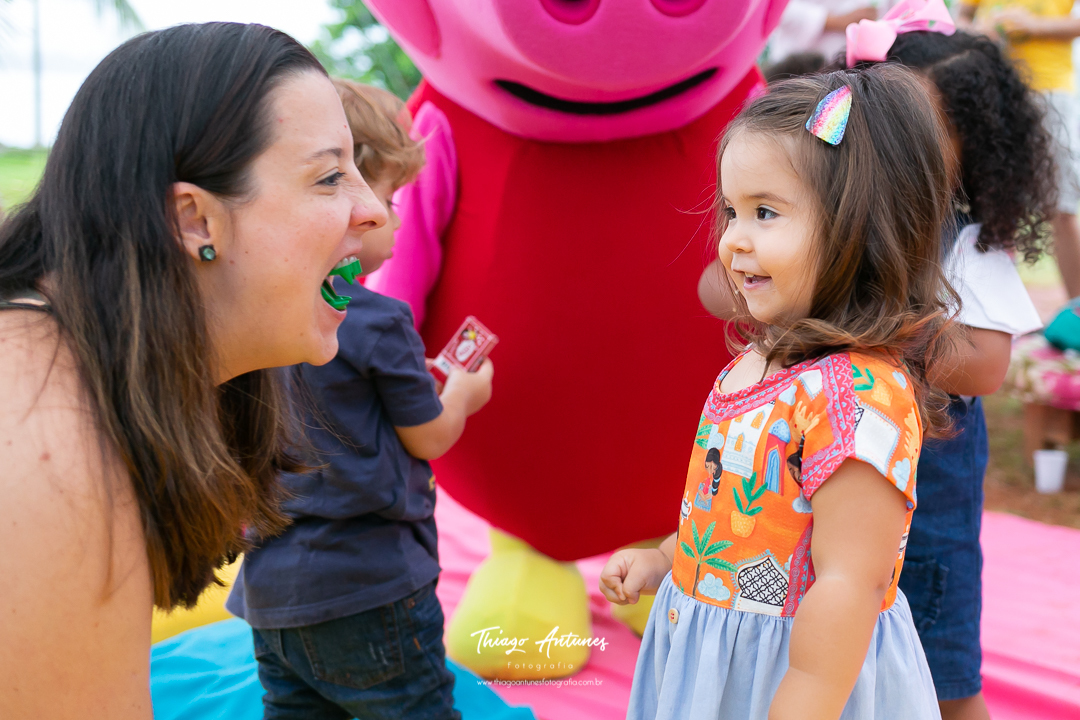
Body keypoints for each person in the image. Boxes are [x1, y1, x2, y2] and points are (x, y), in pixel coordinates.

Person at [0, 23, 386, 719]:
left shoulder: (80, 369)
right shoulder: (45, 438)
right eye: (330, 176)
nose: (374, 209)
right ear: (195, 219)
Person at [603, 65, 956, 720]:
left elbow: (852, 584)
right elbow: (736, 507)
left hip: (798, 680)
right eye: (731, 212)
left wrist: (803, 704)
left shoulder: (856, 396)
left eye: (765, 212)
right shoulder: (759, 363)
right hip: (716, 654)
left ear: (863, 226)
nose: (734, 238)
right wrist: (665, 559)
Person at [226, 79, 494, 720]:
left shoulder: (249, 316)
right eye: (393, 198)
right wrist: (463, 394)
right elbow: (427, 436)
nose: (394, 218)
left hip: (271, 593)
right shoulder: (378, 320)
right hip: (369, 587)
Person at [845, 9, 1053, 719]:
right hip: (824, 480)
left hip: (924, 502)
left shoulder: (969, 245)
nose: (904, 146)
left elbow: (985, 368)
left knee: (944, 681)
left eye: (930, 133)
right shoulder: (829, 215)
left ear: (974, 149)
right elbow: (719, 289)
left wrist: (871, 321)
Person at [958, 0, 1080, 298]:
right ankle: (997, 315)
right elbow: (962, 15)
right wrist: (977, 33)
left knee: (1060, 207)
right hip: (993, 93)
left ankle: (1076, 315)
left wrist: (1033, 25)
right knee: (991, 205)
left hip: (1049, 92)